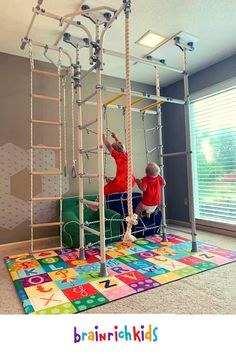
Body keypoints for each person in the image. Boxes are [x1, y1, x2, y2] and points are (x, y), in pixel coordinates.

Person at [88, 132, 136, 211]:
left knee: (104, 190)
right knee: (113, 183)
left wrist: (104, 138)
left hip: (122, 184)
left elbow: (108, 146)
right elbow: (121, 146)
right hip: (131, 182)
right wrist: (115, 137)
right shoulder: (127, 155)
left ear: (115, 151)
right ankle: (111, 183)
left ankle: (96, 206)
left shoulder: (117, 156)